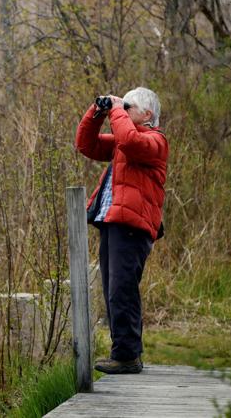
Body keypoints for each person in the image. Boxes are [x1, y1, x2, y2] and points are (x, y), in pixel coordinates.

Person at [75, 87, 168, 374]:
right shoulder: (123, 143)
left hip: (133, 225)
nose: (123, 111)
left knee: (121, 289)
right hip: (113, 222)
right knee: (113, 289)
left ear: (148, 114)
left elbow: (129, 139)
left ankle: (127, 355)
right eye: (122, 107)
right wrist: (97, 111)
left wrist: (115, 108)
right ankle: (125, 353)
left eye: (129, 107)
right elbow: (85, 145)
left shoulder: (155, 141)